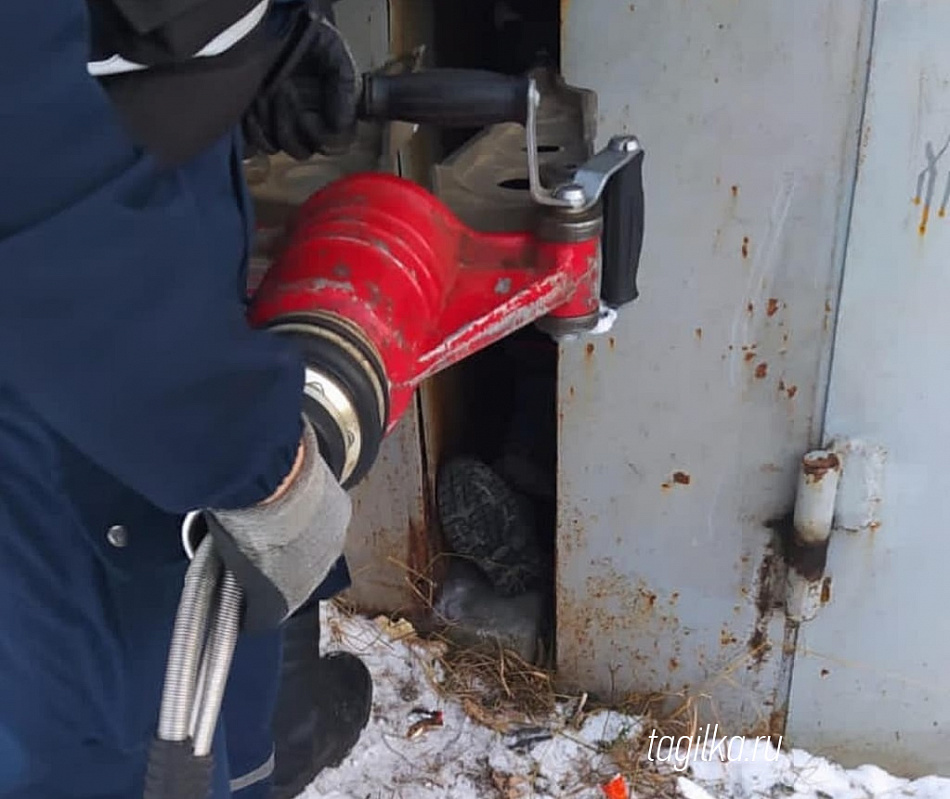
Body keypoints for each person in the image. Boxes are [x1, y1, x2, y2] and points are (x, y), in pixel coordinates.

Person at [0, 1, 372, 797]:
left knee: (211, 670)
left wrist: (238, 50)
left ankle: (265, 757)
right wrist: (251, 455)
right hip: (59, 370)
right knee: (103, 740)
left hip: (134, 237)